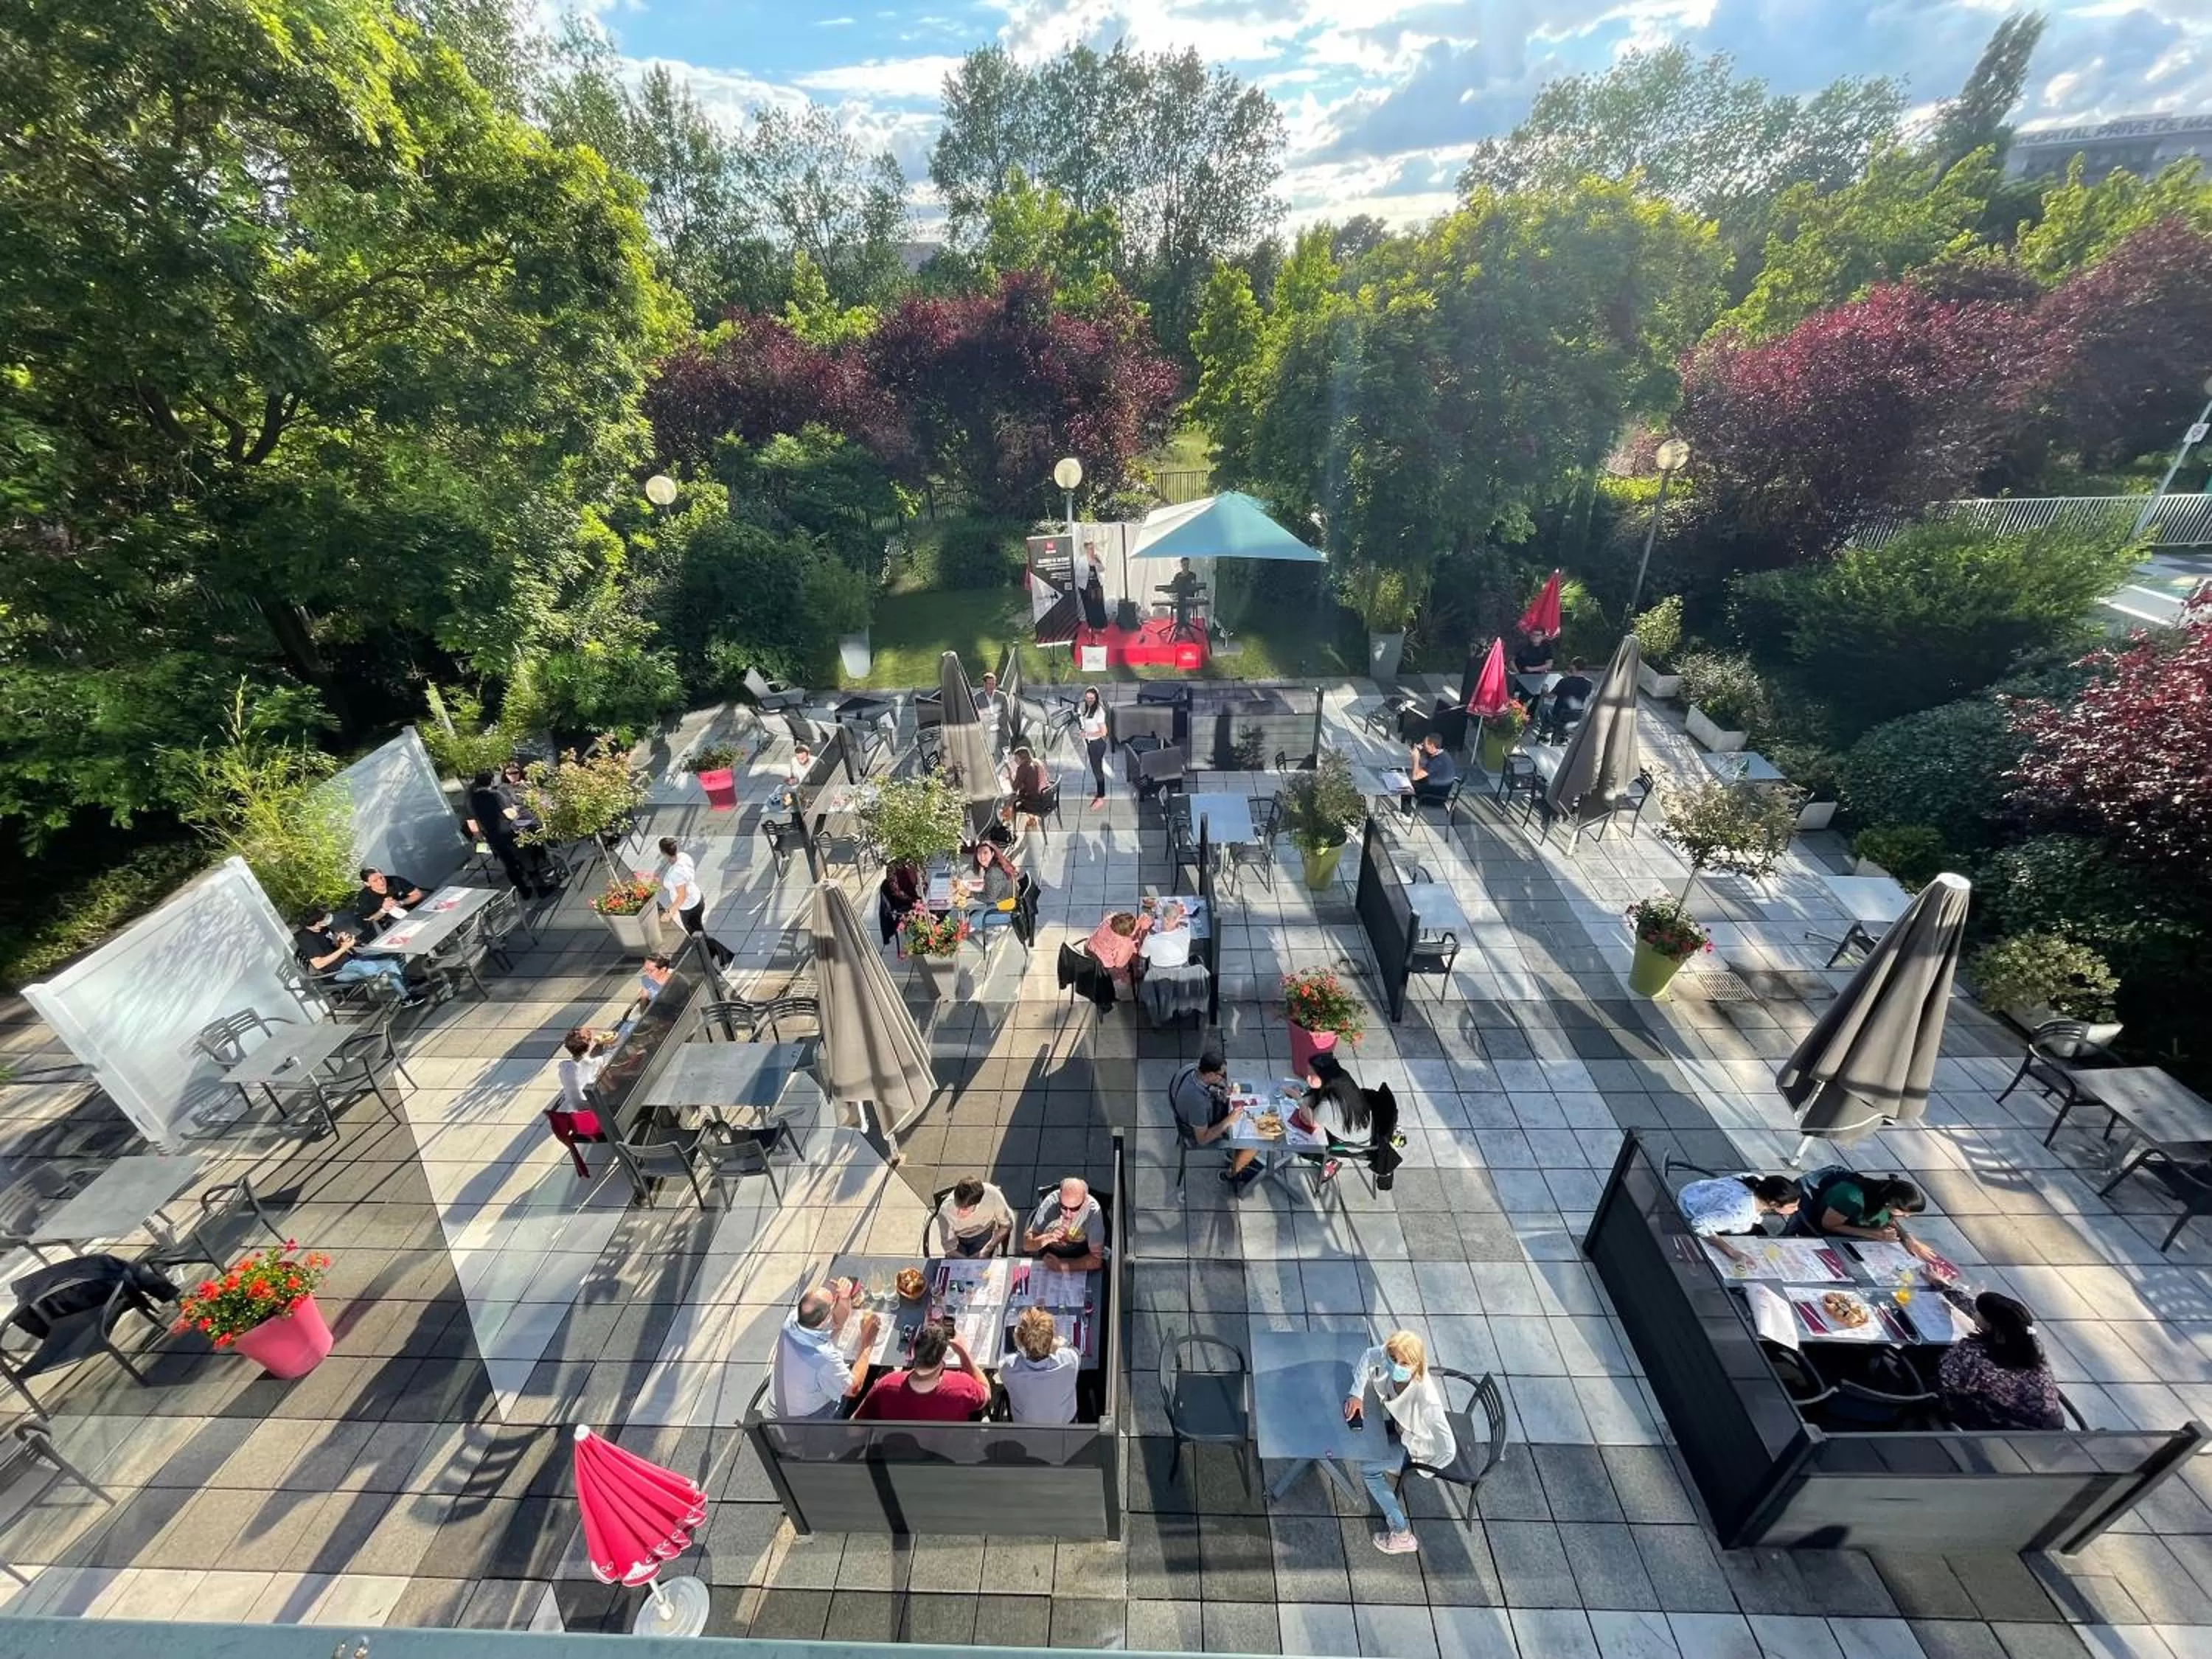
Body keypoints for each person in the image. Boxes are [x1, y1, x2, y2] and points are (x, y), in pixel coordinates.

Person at [1344, 1330, 1456, 1555]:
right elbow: (1368, 1355)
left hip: (1415, 1447)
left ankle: (1401, 1533)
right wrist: (1356, 1393)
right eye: (1394, 1359)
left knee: (1368, 1470)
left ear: (1417, 1364)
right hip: (1401, 1427)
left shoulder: (1428, 1403)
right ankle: (1395, 1465)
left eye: (1405, 1362)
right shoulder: (1386, 1353)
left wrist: (1419, 1467)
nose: (1397, 1365)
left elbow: (1448, 1450)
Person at [1930, 1277, 2065, 1431]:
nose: (1975, 1313)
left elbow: (1947, 1382)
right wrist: (1945, 1288)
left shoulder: (1974, 1353)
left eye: (1980, 1313)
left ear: (1991, 1326)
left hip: (1998, 1428)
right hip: (2048, 1429)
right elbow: (1978, 1312)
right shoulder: (2031, 1345)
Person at [772, 1281, 881, 1419]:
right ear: (826, 1318)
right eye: (834, 1302)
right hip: (809, 1417)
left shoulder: (794, 1319)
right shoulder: (824, 1357)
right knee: (873, 1369)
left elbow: (837, 1322)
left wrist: (844, 1298)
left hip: (785, 1402)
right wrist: (867, 1342)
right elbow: (853, 1389)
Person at [852, 1322, 990, 1422]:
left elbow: (855, 1430)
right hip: (945, 1455)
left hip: (899, 1454)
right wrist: (963, 1352)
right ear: (942, 1360)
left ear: (913, 1353)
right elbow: (986, 1393)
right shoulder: (962, 1386)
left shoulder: (886, 1385)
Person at [1803, 1166, 1937, 1261]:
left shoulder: (1884, 1198)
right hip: (1830, 1230)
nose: (1906, 1217)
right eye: (1903, 1213)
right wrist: (1874, 1234)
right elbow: (1829, 1225)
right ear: (1888, 1203)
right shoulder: (1851, 1197)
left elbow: (1888, 1219)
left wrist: (1908, 1239)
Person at [1171, 1050, 1255, 1186]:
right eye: (1221, 1075)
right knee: (1252, 1142)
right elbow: (1202, 1139)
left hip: (1200, 1113)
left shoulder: (1192, 1069)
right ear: (1210, 1074)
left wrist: (1222, 1089)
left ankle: (1233, 1156)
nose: (1223, 1078)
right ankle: (1230, 1174)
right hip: (1199, 1131)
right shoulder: (1197, 1102)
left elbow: (1210, 1086)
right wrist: (1229, 1120)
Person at [1677, 1174, 1800, 1262]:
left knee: (1759, 1233)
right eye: (1792, 1206)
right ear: (1773, 1204)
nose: (1796, 1209)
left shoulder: (1757, 1180)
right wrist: (1731, 1252)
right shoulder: (1739, 1213)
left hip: (1694, 1192)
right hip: (1686, 1212)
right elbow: (1699, 1225)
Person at [293, 907, 412, 997]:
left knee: (393, 953)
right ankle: (406, 998)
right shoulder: (306, 938)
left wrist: (340, 939)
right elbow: (319, 964)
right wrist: (344, 948)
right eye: (323, 918)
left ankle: (406, 984)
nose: (326, 920)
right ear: (316, 922)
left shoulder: (323, 928)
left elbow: (333, 943)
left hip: (352, 958)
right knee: (389, 964)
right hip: (339, 971)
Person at [656, 836, 734, 970]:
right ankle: (709, 954)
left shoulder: (676, 872)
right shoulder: (684, 857)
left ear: (663, 853)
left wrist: (669, 912)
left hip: (689, 908)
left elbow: (681, 896)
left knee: (698, 936)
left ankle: (726, 956)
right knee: (699, 933)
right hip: (696, 899)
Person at [467, 770, 543, 898]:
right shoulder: (495, 795)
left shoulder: (472, 799)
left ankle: (524, 892)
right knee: (526, 859)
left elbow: (474, 820)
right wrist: (518, 814)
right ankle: (541, 889)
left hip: (493, 837)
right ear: (491, 781)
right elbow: (509, 813)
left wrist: (480, 836)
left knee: (509, 865)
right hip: (509, 833)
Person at [1003, 1305, 1080, 1425]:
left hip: (1024, 1427)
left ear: (1019, 1339)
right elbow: (1074, 1351)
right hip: (1064, 1424)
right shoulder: (1069, 1360)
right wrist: (1060, 1344)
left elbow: (1007, 1361)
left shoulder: (1009, 1368)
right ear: (1052, 1339)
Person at [1024, 1178, 1105, 1271]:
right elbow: (1027, 1245)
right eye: (1063, 1207)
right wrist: (1049, 1237)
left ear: (1085, 1201)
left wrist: (1064, 1267)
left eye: (1075, 1209)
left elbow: (1097, 1260)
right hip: (1050, 1253)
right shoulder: (1051, 1202)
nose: (1067, 1214)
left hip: (1079, 1255)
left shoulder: (1093, 1212)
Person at [934, 1176, 1015, 1258]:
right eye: (957, 1206)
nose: (958, 1213)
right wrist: (967, 1262)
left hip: (985, 1235)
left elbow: (1007, 1224)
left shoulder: (992, 1195)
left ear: (977, 1203)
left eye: (964, 1209)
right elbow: (949, 1248)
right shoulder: (945, 1211)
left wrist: (987, 1250)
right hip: (958, 1240)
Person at [556, 1026, 613, 1115]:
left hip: (575, 1107)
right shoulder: (597, 1062)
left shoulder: (563, 1066)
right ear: (588, 1044)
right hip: (596, 1107)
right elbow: (611, 1086)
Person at [1085, 911, 1149, 987]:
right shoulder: (1124, 943)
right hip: (1102, 964)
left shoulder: (1109, 920)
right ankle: (1136, 975)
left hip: (1089, 948)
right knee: (1133, 956)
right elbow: (1120, 964)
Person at [970, 841, 1022, 932]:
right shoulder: (1000, 864)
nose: (982, 857)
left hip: (1006, 911)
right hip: (1010, 903)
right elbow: (995, 886)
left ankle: (995, 929)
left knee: (973, 919)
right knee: (975, 910)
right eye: (979, 853)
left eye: (985, 853)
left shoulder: (993, 872)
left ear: (993, 853)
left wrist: (971, 894)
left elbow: (990, 898)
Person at [355, 867, 426, 935]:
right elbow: (367, 921)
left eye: (381, 877)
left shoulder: (395, 881)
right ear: (367, 884)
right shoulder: (364, 898)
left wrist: (401, 902)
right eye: (375, 881)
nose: (381, 882)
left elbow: (418, 894)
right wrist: (384, 910)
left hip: (415, 912)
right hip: (394, 926)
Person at [1540, 658, 1594, 743]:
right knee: (1560, 714)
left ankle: (1546, 732)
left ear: (1573, 666)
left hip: (1559, 713)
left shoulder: (1564, 682)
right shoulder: (1589, 683)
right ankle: (1562, 734)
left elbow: (1551, 696)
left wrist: (1545, 690)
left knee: (1544, 708)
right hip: (1576, 714)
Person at [1405, 732, 1458, 812]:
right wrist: (1421, 750)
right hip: (1440, 788)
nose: (1422, 745)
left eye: (1424, 744)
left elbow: (1415, 777)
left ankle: (1406, 814)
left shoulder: (1437, 762)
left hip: (1433, 797)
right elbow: (1423, 768)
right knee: (1407, 773)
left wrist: (1416, 758)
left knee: (1405, 784)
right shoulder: (1442, 753)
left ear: (1432, 746)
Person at [877, 861, 925, 948]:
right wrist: (914, 900)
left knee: (939, 908)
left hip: (915, 898)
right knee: (931, 912)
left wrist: (923, 894)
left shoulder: (917, 863)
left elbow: (923, 883)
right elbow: (897, 892)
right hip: (902, 903)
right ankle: (924, 940)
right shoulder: (893, 866)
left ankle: (930, 937)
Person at [1077, 689, 1110, 809]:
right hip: (1091, 743)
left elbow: (1104, 732)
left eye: (1091, 698)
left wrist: (1087, 735)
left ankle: (1101, 797)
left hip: (1097, 744)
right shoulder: (1086, 708)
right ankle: (1100, 792)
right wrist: (1084, 731)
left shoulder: (1099, 712)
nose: (1089, 700)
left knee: (1098, 771)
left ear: (1096, 698)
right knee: (1096, 769)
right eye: (1087, 698)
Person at [1138, 899, 1193, 970]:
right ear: (1178, 918)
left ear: (1164, 919)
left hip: (1158, 973)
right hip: (1181, 972)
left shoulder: (1151, 939)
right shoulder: (1186, 935)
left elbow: (1142, 954)